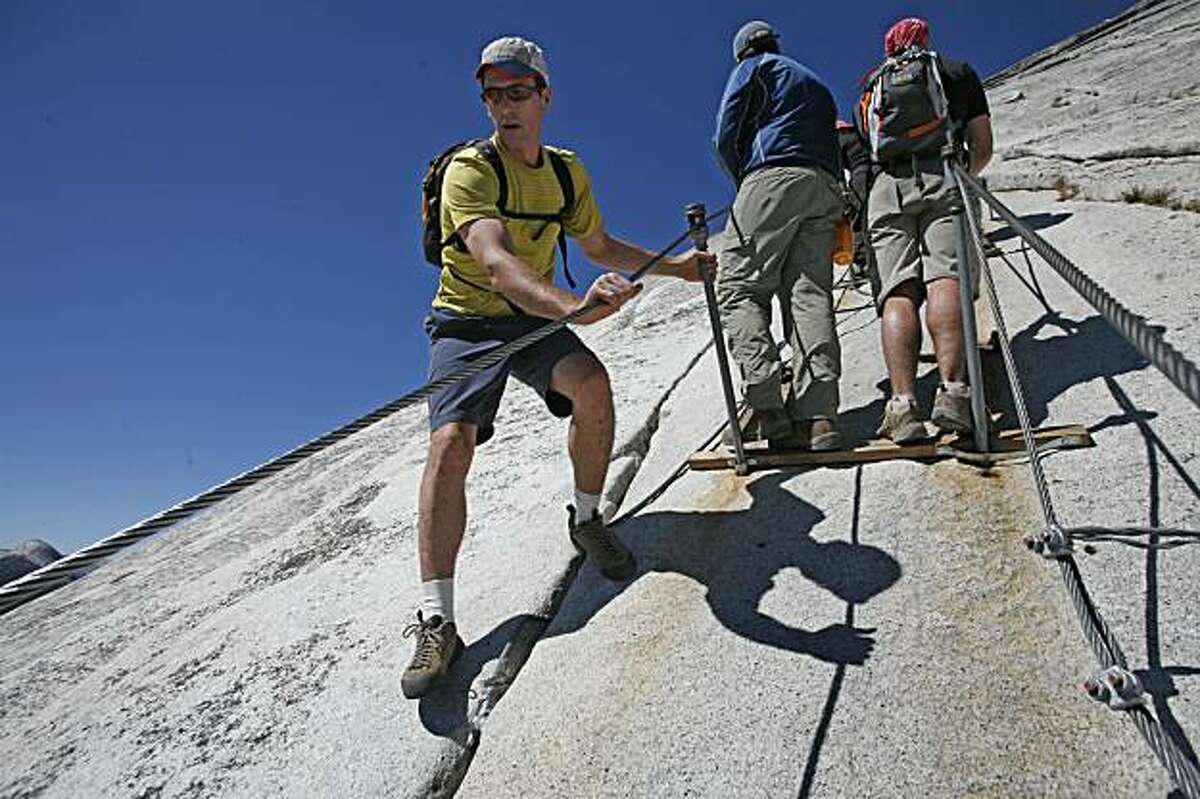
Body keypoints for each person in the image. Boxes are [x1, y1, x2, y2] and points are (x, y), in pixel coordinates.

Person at [402, 36, 713, 699]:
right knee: (450, 446)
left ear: (544, 95)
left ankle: (587, 517)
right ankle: (436, 618)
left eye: (517, 92)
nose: (503, 106)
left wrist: (680, 270)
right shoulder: (470, 169)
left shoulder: (566, 172)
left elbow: (598, 243)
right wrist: (574, 307)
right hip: (466, 321)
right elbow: (494, 261)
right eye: (492, 93)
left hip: (531, 318)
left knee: (592, 386)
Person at [857, 17, 994, 443]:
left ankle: (902, 405)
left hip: (886, 191)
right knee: (946, 279)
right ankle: (953, 393)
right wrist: (962, 175)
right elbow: (983, 144)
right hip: (944, 175)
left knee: (897, 291)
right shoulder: (953, 71)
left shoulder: (871, 86)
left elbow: (867, 149)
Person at [713, 21, 845, 452]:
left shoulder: (753, 69)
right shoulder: (816, 83)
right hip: (824, 185)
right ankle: (820, 415)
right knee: (809, 295)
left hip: (770, 175)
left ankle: (768, 407)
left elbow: (726, 133)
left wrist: (745, 183)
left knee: (737, 287)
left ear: (743, 51)